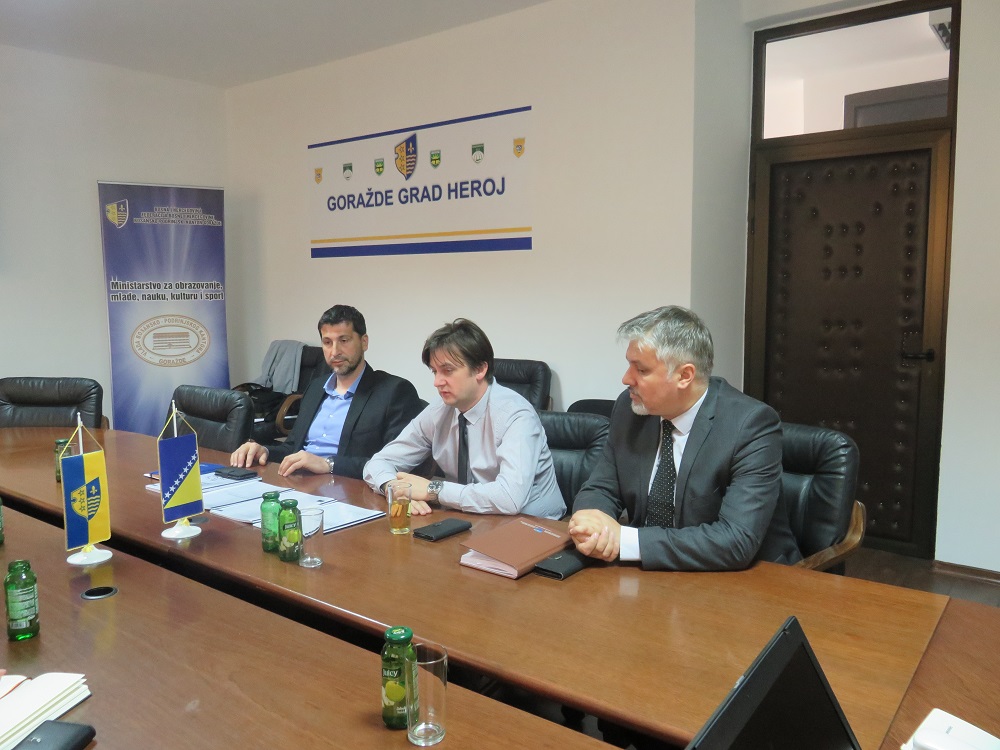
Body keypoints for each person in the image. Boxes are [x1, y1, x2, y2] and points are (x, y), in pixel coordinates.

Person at [569, 305, 801, 571]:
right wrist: (591, 523)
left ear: (684, 376)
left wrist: (626, 540)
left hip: (750, 579)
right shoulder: (630, 409)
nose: (626, 379)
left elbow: (735, 540)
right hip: (650, 573)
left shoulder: (750, 425)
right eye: (628, 365)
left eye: (641, 370)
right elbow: (601, 488)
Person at [363, 318, 564, 520]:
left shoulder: (516, 415)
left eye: (447, 370)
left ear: (480, 369)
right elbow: (378, 463)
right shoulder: (439, 411)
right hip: (471, 517)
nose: (437, 382)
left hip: (533, 524)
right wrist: (394, 488)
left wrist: (433, 490)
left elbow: (510, 497)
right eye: (435, 371)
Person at [230, 305, 423, 479]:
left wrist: (328, 464)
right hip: (300, 483)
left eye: (344, 340)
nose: (335, 351)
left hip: (350, 489)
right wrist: (264, 451)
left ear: (364, 342)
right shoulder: (316, 387)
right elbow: (293, 448)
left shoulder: (394, 392)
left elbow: (396, 463)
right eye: (327, 342)